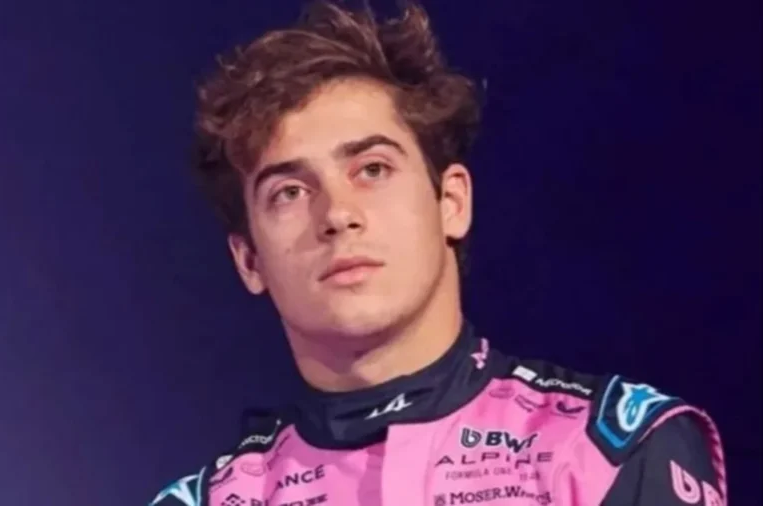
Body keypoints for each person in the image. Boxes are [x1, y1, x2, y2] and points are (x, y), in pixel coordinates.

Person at [149, 1, 727, 504]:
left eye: (372, 169)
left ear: (451, 201)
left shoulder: (613, 448)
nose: (337, 215)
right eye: (290, 192)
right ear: (249, 260)